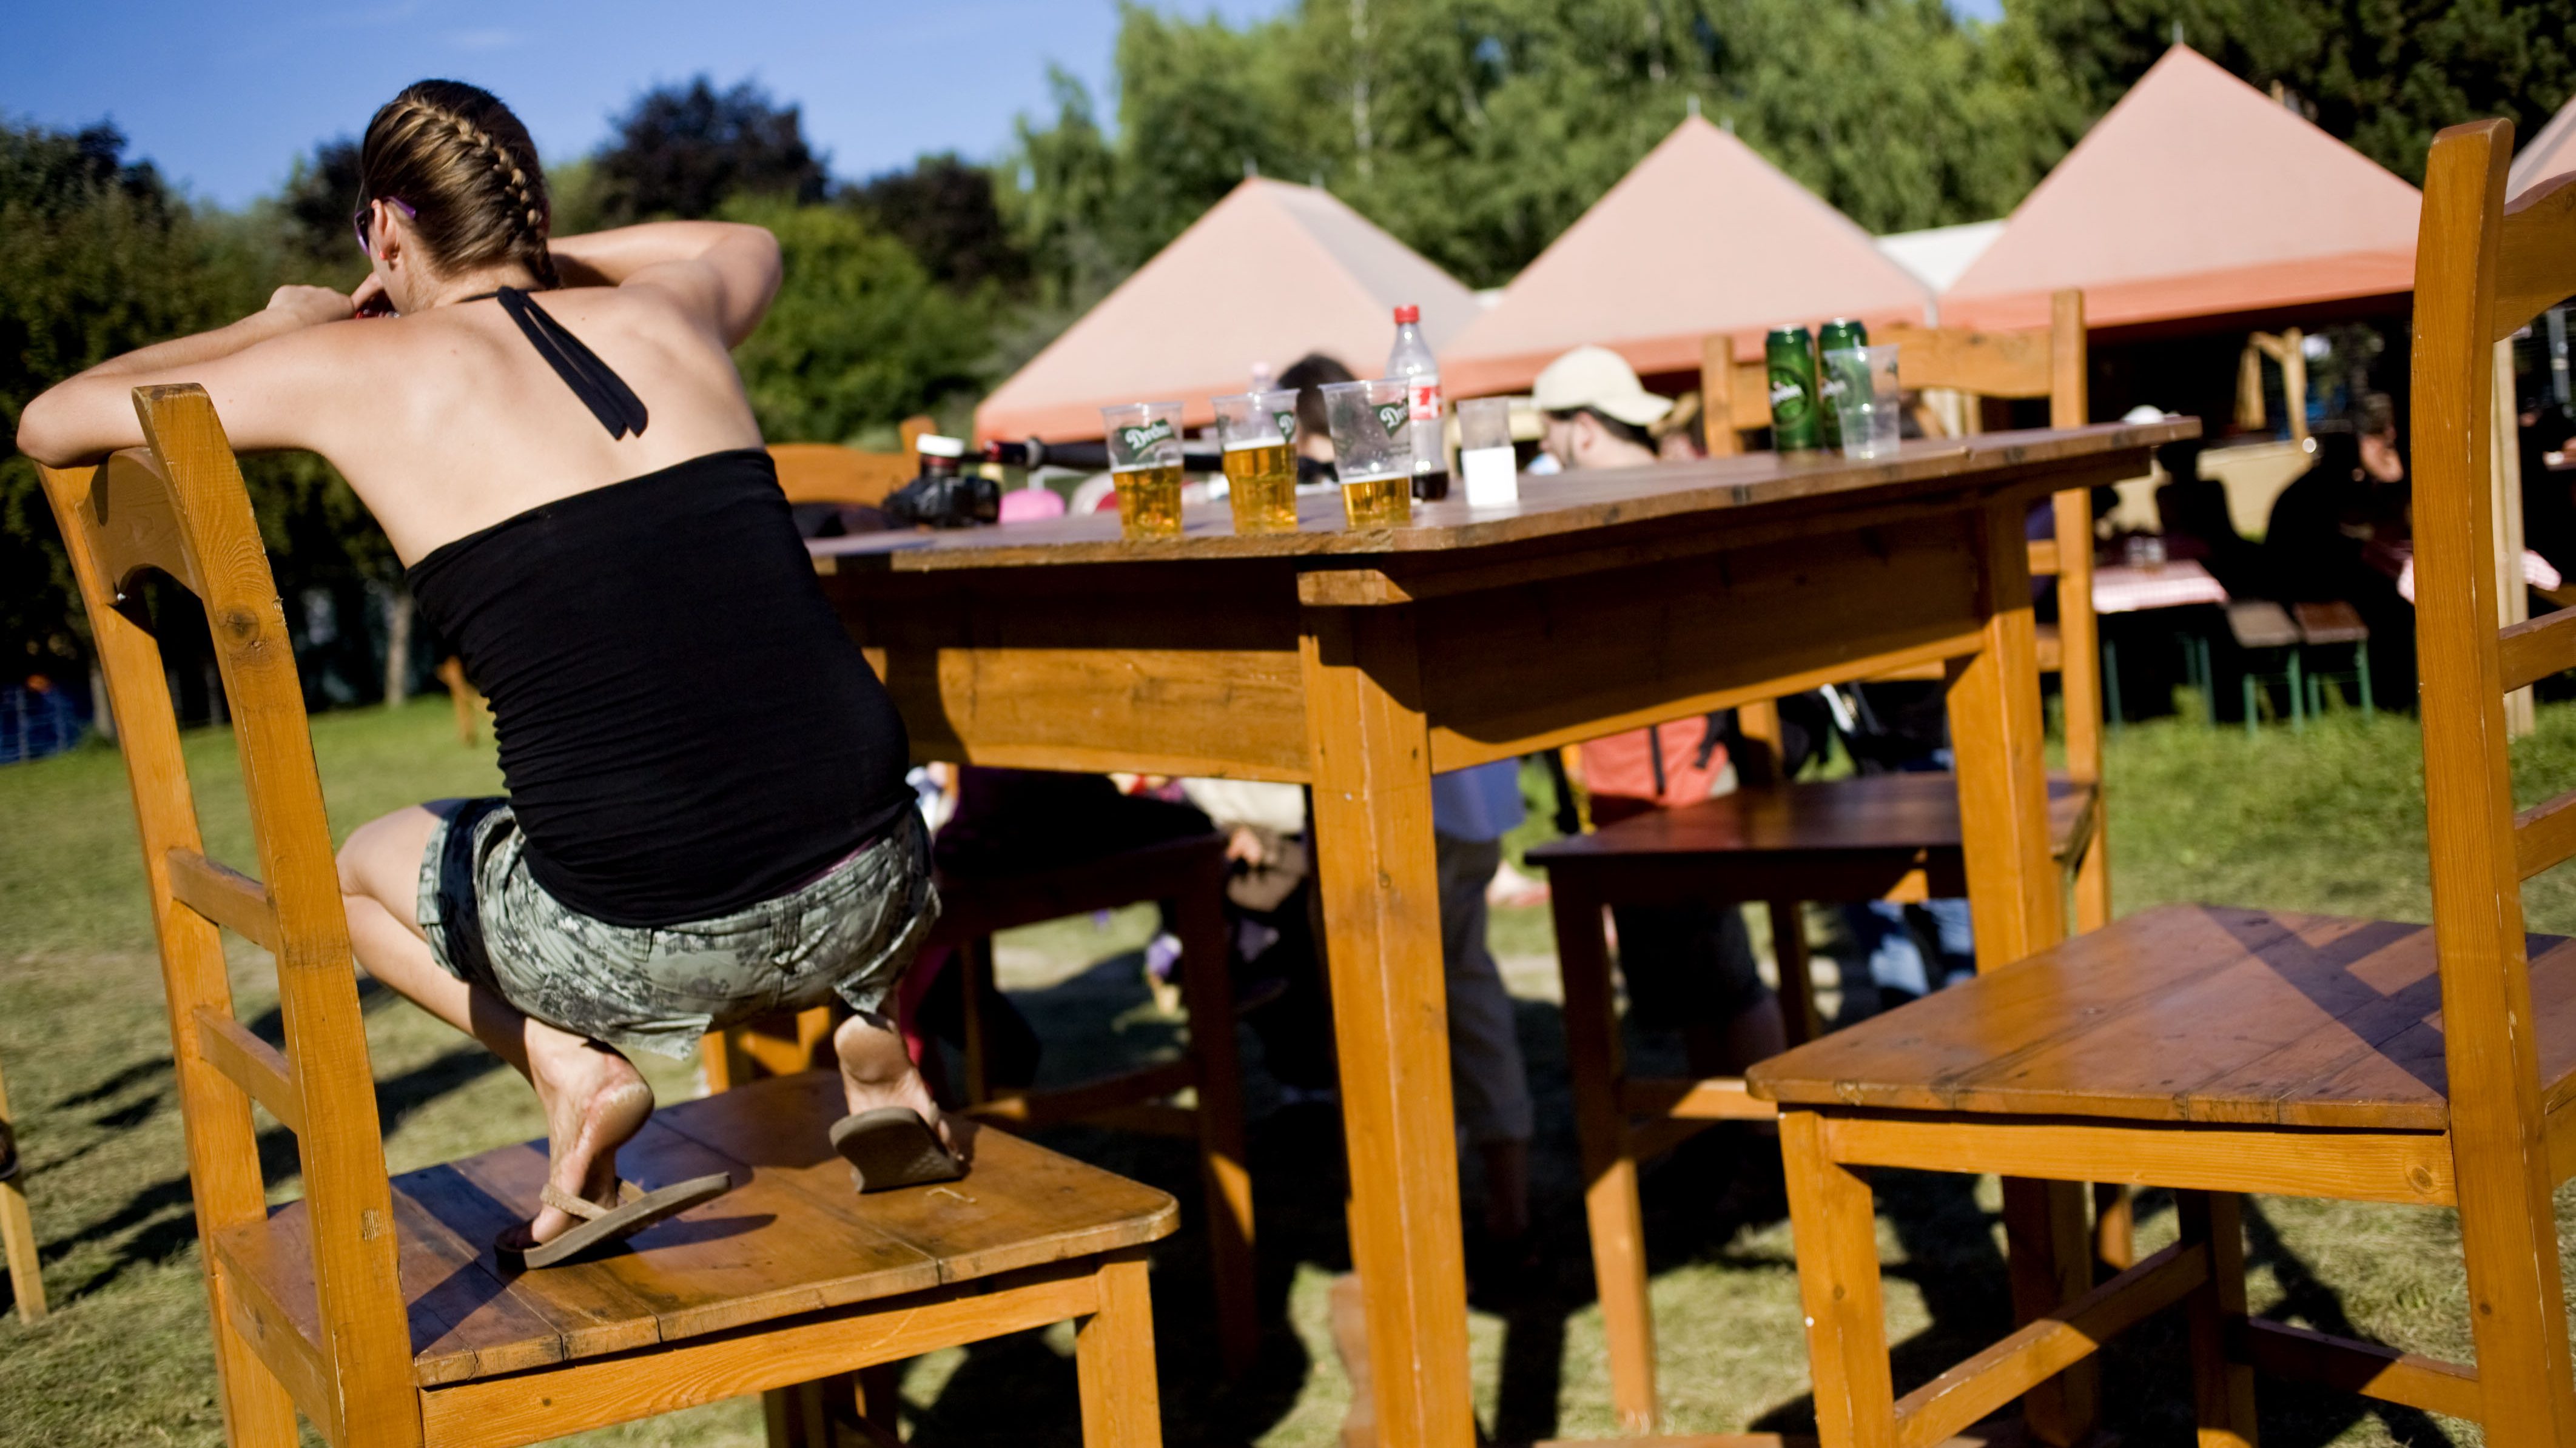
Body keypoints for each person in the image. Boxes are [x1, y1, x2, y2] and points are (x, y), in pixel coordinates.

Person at [19, 81, 953, 1262]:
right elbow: (745, 241)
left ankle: (570, 1074)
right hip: (881, 876)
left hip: (640, 934)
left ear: (385, 231)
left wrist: (280, 323)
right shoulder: (675, 315)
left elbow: (52, 420)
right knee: (774, 783)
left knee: (357, 873)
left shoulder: (354, 370)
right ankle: (872, 1031)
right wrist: (537, 251)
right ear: (521, 215)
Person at [1533, 346, 1787, 1089]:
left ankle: (1754, 1149)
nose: (1543, 451)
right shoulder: (1658, 487)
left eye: (1546, 433)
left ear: (1580, 431)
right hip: (1647, 783)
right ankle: (1727, 1147)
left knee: (1723, 980)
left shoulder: (1617, 503)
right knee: (1694, 987)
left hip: (1670, 785)